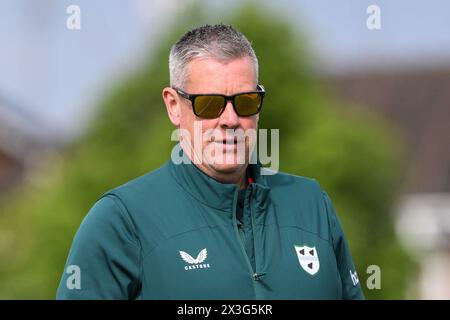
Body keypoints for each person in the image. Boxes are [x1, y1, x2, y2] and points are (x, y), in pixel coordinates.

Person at [57, 24, 364, 299]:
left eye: (245, 102)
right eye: (210, 104)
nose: (230, 120)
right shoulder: (121, 220)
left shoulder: (313, 205)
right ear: (174, 106)